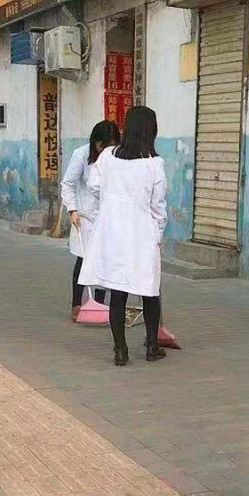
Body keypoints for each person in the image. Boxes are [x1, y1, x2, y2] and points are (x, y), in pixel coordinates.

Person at [81, 106, 168, 366]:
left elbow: (94, 185)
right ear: (151, 130)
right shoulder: (154, 163)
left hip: (113, 233)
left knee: (117, 293)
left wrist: (111, 202)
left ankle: (120, 350)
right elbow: (158, 205)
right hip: (142, 234)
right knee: (149, 291)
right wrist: (158, 233)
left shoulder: (107, 156)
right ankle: (152, 346)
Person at [58, 120, 120, 320]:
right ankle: (77, 304)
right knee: (84, 260)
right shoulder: (81, 155)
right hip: (85, 217)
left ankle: (99, 305)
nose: (106, 150)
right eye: (103, 146)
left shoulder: (118, 156)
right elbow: (68, 184)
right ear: (95, 142)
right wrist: (72, 210)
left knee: (104, 262)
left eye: (111, 146)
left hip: (108, 216)